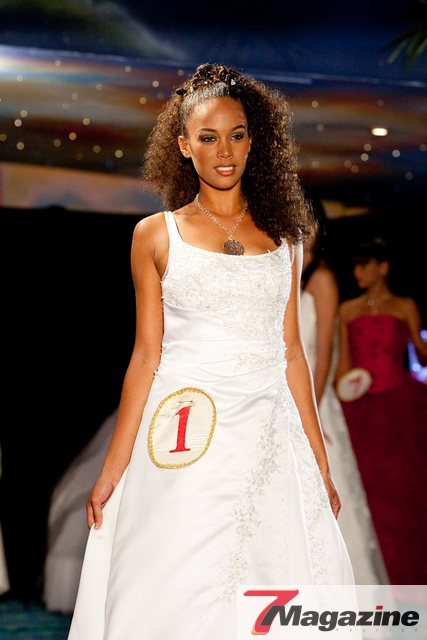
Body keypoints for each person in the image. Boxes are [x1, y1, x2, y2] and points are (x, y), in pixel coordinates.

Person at [67, 63, 355, 640]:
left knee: (272, 581)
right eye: (208, 137)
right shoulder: (155, 234)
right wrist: (114, 469)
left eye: (237, 135)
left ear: (254, 141)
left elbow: (292, 354)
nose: (225, 151)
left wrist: (320, 463)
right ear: (183, 146)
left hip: (269, 432)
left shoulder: (287, 240)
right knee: (182, 575)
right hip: (186, 433)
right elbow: (146, 356)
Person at [300, 213, 388, 585]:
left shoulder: (321, 279)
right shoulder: (282, 273)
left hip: (314, 397)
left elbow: (323, 353)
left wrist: (311, 410)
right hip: (284, 396)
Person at [336, 236, 427, 585]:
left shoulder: (404, 305)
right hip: (362, 410)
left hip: (400, 405)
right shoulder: (347, 310)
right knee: (369, 485)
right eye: (355, 266)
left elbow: (419, 354)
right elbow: (344, 366)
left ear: (382, 268)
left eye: (364, 265)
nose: (357, 272)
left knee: (405, 488)